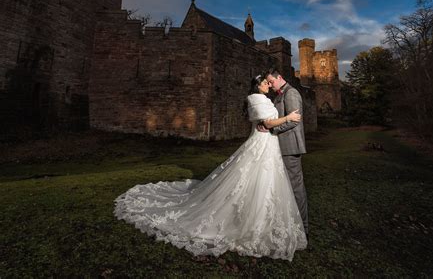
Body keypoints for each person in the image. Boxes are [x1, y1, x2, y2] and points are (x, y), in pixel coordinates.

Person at [114, 75, 307, 261]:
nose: (268, 85)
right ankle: (251, 223)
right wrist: (288, 117)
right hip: (263, 144)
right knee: (255, 179)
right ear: (257, 86)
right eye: (265, 83)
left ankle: (266, 221)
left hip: (270, 145)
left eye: (269, 82)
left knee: (266, 182)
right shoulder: (255, 98)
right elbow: (267, 123)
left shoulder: (267, 97)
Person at [262, 68, 309, 240]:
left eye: (272, 82)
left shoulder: (292, 93)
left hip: (291, 147)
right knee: (287, 186)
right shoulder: (280, 95)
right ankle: (290, 223)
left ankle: (303, 229)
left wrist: (272, 129)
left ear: (279, 78)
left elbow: (294, 122)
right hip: (282, 146)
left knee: (296, 188)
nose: (271, 85)